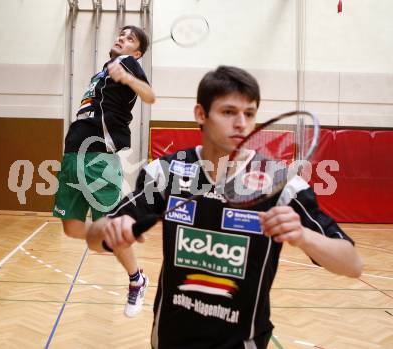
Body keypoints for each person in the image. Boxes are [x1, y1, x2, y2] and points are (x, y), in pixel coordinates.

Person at [86, 66, 363, 348]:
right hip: (171, 338)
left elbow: (353, 264)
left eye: (250, 113)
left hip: (243, 343)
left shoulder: (281, 183)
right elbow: (94, 239)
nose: (241, 123)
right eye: (229, 112)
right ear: (200, 115)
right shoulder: (166, 172)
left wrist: (304, 236)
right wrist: (110, 229)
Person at [53, 25, 155, 317]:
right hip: (74, 153)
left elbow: (149, 96)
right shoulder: (102, 72)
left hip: (99, 156)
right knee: (73, 229)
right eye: (121, 34)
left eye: (130, 38)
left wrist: (128, 78)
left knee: (108, 234)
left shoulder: (128, 64)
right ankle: (123, 231)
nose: (121, 38)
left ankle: (137, 278)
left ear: (136, 52)